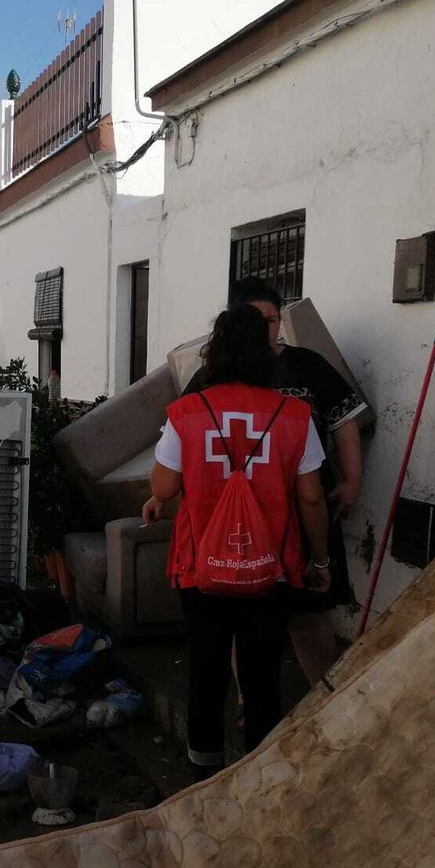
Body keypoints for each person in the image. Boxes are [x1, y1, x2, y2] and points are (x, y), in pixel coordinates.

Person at [144, 302, 332, 776]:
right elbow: (311, 499)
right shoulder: (295, 414)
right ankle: (257, 777)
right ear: (266, 353)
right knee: (262, 677)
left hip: (200, 567)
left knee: (206, 673)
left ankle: (203, 779)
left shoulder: (186, 412)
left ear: (215, 354)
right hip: (271, 568)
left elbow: (164, 489)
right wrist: (320, 561)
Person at [188, 277, 367, 684]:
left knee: (309, 613)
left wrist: (352, 479)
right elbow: (186, 437)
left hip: (307, 512)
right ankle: (249, 704)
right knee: (242, 612)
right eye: (255, 319)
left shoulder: (306, 365)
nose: (265, 328)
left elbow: (344, 420)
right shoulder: (211, 376)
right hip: (238, 521)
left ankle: (323, 702)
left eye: (272, 319)